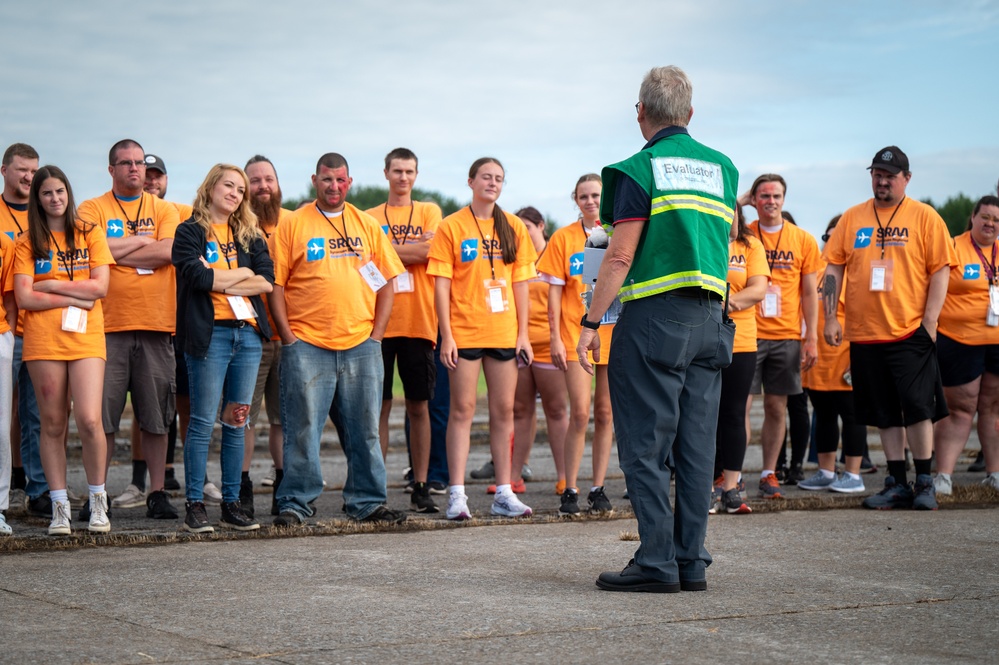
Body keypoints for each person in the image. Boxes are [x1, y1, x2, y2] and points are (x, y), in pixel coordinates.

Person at [579, 66, 737, 592]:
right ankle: (691, 561)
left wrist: (589, 321)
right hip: (712, 319)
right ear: (690, 115)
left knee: (646, 445)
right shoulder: (724, 169)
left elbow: (620, 255)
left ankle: (656, 560)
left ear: (641, 112)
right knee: (696, 446)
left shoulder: (637, 169)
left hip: (653, 318)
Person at [271, 152, 406, 525]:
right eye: (327, 180)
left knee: (365, 430)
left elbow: (388, 282)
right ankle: (296, 502)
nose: (334, 187)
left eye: (341, 180)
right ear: (315, 180)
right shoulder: (293, 224)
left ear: (350, 183)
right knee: (303, 429)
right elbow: (276, 286)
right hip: (307, 345)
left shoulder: (365, 224)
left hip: (361, 344)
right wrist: (289, 338)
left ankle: (366, 501)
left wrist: (377, 336)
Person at [823, 146, 955, 511]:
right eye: (877, 174)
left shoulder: (925, 217)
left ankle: (924, 480)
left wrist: (930, 322)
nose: (882, 180)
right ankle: (896, 481)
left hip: (910, 330)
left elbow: (940, 269)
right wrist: (831, 317)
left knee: (917, 407)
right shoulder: (853, 218)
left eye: (890, 175)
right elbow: (833, 267)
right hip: (865, 333)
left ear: (906, 179)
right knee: (882, 411)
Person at [427, 157, 537, 521]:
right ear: (471, 181)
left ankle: (504, 492)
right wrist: (447, 335)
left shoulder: (514, 227)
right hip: (464, 330)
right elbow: (441, 284)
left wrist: (523, 333)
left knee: (503, 411)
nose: (492, 183)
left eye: (499, 179)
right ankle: (456, 494)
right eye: (486, 177)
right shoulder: (452, 226)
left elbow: (521, 283)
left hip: (503, 332)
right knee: (462, 411)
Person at [78, 139, 181, 521]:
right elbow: (90, 251)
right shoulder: (92, 207)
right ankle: (97, 493)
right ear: (111, 169)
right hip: (104, 327)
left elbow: (169, 251)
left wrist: (114, 250)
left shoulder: (165, 208)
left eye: (139, 163)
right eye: (126, 163)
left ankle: (156, 492)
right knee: (101, 417)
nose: (135, 169)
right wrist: (142, 241)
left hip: (155, 324)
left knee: (156, 417)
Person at [13, 165, 114, 534]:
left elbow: (100, 287)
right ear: (37, 199)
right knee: (52, 422)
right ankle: (59, 506)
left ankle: (98, 500)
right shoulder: (27, 241)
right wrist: (66, 286)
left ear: (68, 194)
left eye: (60, 192)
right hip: (43, 341)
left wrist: (48, 286)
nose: (55, 199)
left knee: (89, 419)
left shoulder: (89, 232)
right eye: (46, 193)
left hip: (86, 338)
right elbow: (25, 297)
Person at [172, 164, 273, 532]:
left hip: (247, 337)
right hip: (209, 336)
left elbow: (267, 283)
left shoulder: (250, 235)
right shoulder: (189, 231)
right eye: (228, 185)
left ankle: (231, 503)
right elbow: (195, 277)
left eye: (240, 190)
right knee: (200, 423)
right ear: (211, 186)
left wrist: (224, 280)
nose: (235, 193)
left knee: (236, 420)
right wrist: (242, 277)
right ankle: (195, 504)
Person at [366, 148, 443, 513]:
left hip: (418, 322)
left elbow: (430, 251)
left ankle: (422, 483)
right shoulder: (368, 216)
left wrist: (388, 250)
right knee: (378, 406)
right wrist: (408, 251)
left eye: (409, 171)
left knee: (419, 406)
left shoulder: (429, 210)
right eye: (397, 171)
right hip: (378, 324)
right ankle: (375, 484)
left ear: (416, 175)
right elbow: (365, 260)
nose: (403, 177)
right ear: (386, 173)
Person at [538, 175, 615, 514]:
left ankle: (598, 487)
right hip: (574, 333)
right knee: (580, 412)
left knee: (606, 412)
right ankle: (570, 487)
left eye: (595, 195)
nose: (590, 201)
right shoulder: (563, 238)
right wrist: (554, 336)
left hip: (613, 332)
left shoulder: (616, 233)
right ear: (575, 199)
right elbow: (553, 295)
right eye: (583, 196)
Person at [743, 175, 821, 497]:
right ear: (754, 199)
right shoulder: (744, 235)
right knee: (739, 408)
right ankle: (729, 474)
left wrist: (811, 337)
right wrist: (742, 198)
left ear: (784, 200)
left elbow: (809, 293)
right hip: (748, 333)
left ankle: (768, 473)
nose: (770, 201)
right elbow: (722, 214)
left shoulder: (803, 239)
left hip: (787, 335)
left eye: (776, 196)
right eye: (763, 196)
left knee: (777, 408)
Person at [932, 195, 999, 494]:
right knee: (960, 408)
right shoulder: (953, 246)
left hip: (996, 343)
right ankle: (943, 475)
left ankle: (994, 473)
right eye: (985, 216)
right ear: (972, 217)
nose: (990, 223)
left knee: (993, 408)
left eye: (996, 220)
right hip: (958, 340)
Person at [798, 215, 868, 493]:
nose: (831, 243)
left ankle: (853, 474)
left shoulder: (853, 272)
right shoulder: (815, 271)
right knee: (824, 414)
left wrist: (857, 358)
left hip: (845, 355)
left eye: (837, 237)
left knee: (851, 414)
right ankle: (826, 471)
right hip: (818, 357)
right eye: (827, 237)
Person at [506, 206, 569, 500]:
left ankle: (565, 478)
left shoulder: (553, 256)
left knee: (556, 411)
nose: (523, 234)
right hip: (520, 346)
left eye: (527, 228)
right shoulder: (516, 259)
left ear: (541, 226)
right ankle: (514, 477)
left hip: (550, 346)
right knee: (520, 410)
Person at [242, 155, 291, 517]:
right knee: (245, 416)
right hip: (250, 336)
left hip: (290, 336)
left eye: (268, 179)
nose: (263, 186)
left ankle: (283, 485)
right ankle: (241, 487)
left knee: (284, 419)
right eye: (255, 181)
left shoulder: (295, 222)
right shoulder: (235, 226)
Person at [711, 206, 768, 514]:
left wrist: (723, 305)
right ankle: (705, 486)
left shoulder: (750, 245)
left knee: (734, 414)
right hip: (701, 340)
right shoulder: (701, 237)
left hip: (740, 340)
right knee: (701, 413)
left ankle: (731, 487)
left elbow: (758, 289)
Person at [1, 143, 47, 519]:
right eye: (21, 170)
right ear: (4, 171)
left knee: (38, 412)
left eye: (34, 170)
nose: (28, 177)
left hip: (41, 327)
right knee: (3, 413)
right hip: (5, 328)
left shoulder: (44, 216)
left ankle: (39, 488)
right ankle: (8, 488)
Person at [0, 228, 14, 535]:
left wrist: (9, 337)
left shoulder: (4, 241)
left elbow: (10, 297)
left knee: (1, 428)